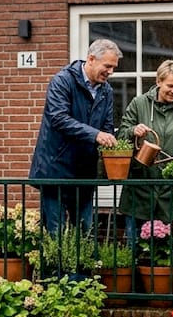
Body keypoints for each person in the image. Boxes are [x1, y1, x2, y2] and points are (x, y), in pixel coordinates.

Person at [29, 39, 122, 236]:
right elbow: (59, 118)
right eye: (107, 66)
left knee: (84, 232)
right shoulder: (62, 81)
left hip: (84, 173)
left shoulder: (106, 91)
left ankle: (80, 268)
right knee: (56, 233)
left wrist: (114, 145)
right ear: (91, 59)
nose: (111, 72)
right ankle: (57, 268)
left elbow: (106, 126)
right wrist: (96, 135)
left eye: (114, 67)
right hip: (55, 169)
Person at [117, 60, 173, 241]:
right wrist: (133, 131)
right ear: (158, 82)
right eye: (170, 85)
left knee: (169, 253)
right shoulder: (138, 104)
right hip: (138, 189)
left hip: (169, 192)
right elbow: (121, 136)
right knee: (134, 248)